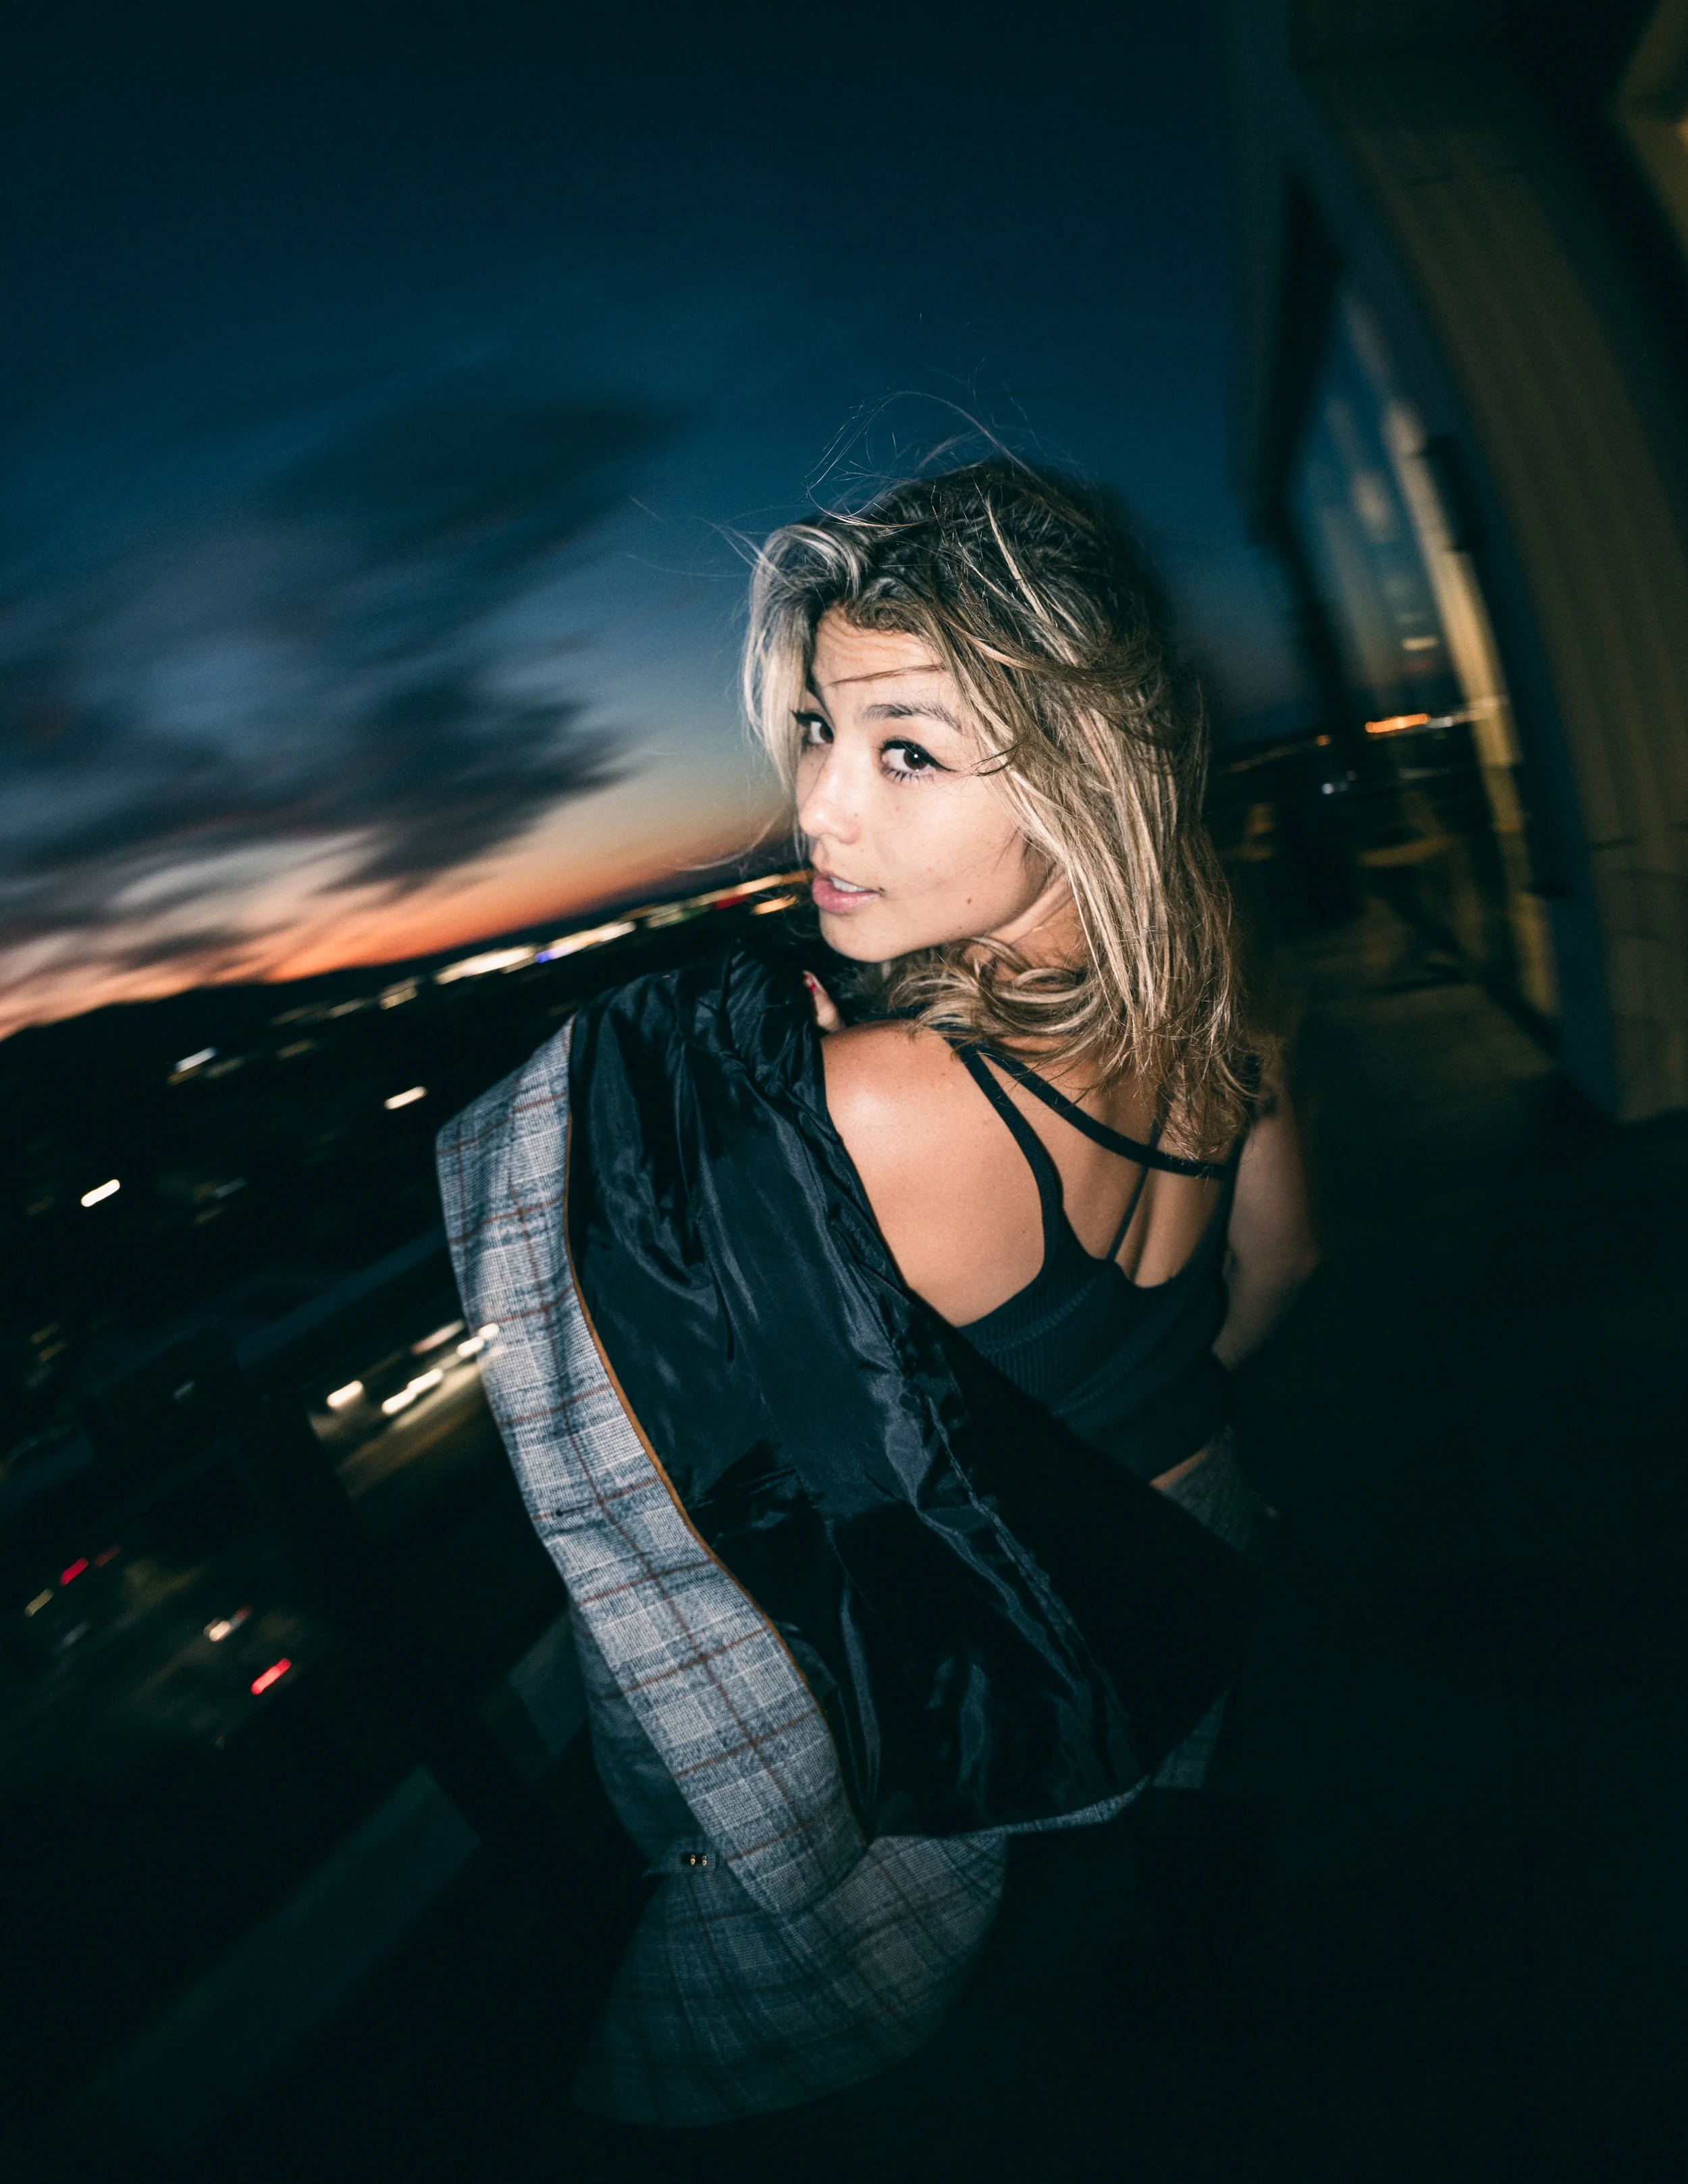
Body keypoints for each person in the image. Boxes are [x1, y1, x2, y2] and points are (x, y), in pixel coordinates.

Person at [436, 459, 1318, 2143]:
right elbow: (1277, 1267)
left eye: (902, 748)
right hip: (1196, 1523)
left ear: (1081, 781)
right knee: (1175, 1804)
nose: (818, 813)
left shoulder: (883, 1101)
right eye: (819, 736)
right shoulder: (1220, 986)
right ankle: (1198, 1987)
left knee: (702, 2074)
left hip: (1002, 1621)